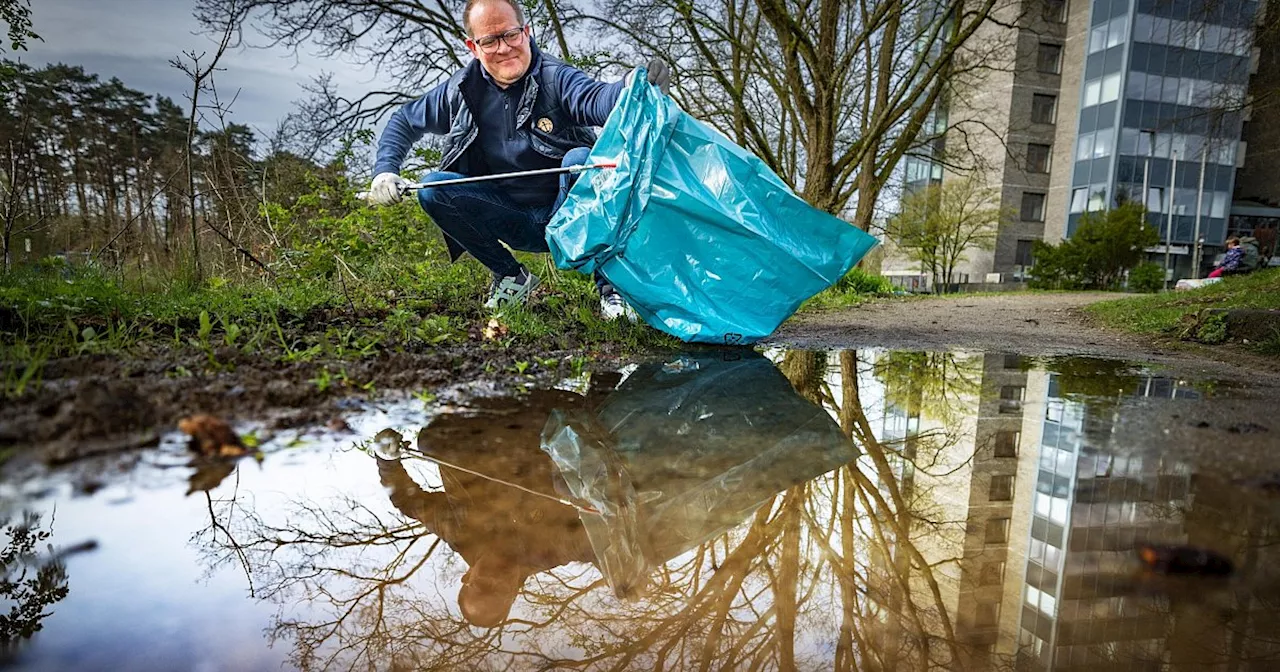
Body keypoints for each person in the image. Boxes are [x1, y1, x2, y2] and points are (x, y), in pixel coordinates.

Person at [366, 0, 670, 319]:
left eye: (511, 35)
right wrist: (384, 172)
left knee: (582, 159)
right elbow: (404, 120)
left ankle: (611, 288)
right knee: (432, 189)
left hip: (567, 215)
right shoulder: (460, 90)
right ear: (473, 47)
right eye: (490, 40)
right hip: (509, 217)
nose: (505, 49)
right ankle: (511, 277)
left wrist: (630, 88)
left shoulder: (556, 78)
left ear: (526, 32)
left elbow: (596, 99)